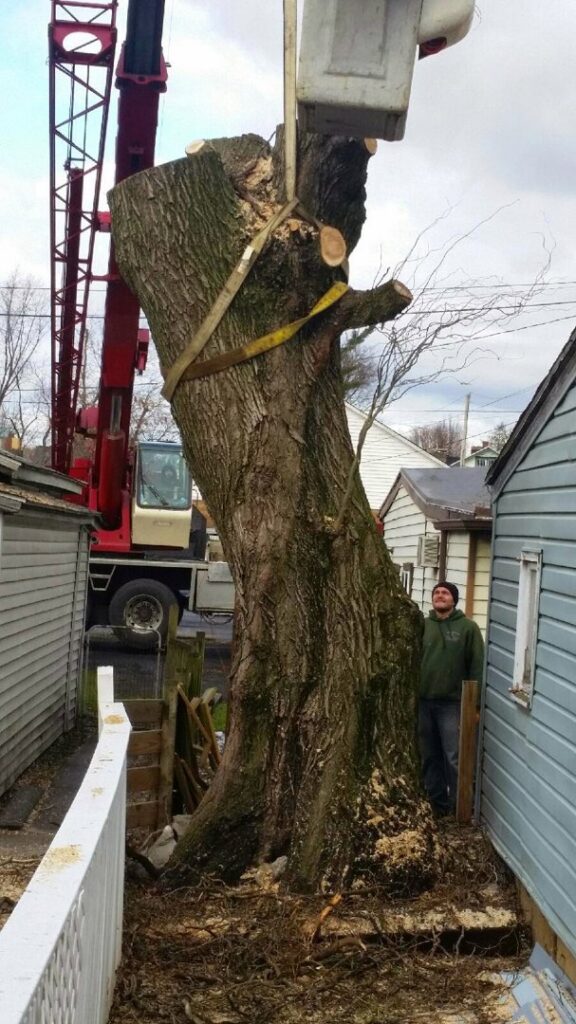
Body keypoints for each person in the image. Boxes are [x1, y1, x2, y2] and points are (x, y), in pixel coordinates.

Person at [419, 581, 484, 817]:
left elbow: (477, 667)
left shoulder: (468, 628)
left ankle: (461, 806)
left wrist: (475, 706)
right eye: (436, 592)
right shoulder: (423, 626)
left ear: (454, 600)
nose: (440, 596)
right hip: (424, 702)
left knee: (454, 756)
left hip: (453, 704)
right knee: (429, 755)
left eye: (445, 593)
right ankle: (438, 805)